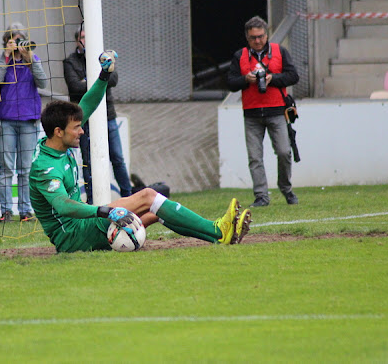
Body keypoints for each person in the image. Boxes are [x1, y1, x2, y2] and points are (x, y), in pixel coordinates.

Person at [30, 50, 251, 253]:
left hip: (84, 225)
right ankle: (219, 229)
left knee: (156, 211)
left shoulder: (57, 141)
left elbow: (87, 103)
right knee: (148, 196)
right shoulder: (44, 168)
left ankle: (219, 238)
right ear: (59, 132)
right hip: (73, 236)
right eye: (76, 128)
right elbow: (62, 205)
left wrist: (104, 75)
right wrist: (105, 211)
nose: (81, 131)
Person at [227, 16, 300, 207]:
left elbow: (294, 76)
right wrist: (246, 80)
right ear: (247, 38)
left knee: (284, 152)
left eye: (260, 36)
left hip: (277, 111)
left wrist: (272, 78)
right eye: (253, 38)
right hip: (251, 114)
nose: (257, 41)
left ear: (266, 35)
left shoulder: (279, 51)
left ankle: (286, 189)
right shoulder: (239, 56)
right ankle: (261, 196)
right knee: (255, 158)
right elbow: (230, 82)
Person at [63, 27, 132, 203]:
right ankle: (92, 200)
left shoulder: (104, 58)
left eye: (89, 37)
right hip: (84, 117)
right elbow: (74, 87)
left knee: (117, 158)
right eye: (83, 37)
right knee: (88, 161)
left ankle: (128, 197)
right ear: (77, 40)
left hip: (107, 115)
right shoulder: (70, 61)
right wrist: (100, 78)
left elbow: (114, 79)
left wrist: (88, 79)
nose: (86, 40)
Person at [0, 23, 48, 223]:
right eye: (14, 40)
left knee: (26, 169)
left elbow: (43, 82)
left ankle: (26, 210)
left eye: (20, 39)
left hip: (28, 120)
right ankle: (6, 211)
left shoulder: (32, 60)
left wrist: (29, 59)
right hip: (4, 120)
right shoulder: (1, 60)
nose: (18, 44)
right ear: (7, 42)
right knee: (6, 168)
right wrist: (6, 56)